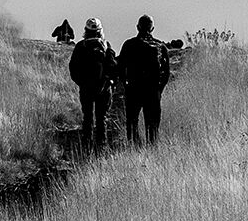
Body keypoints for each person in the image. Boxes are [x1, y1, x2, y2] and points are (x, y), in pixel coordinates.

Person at [114, 15, 172, 144]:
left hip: (134, 88)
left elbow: (120, 67)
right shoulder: (160, 46)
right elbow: (166, 73)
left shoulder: (129, 44)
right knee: (152, 124)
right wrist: (159, 90)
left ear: (137, 27)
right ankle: (152, 148)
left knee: (132, 121)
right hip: (153, 90)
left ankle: (134, 147)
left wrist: (126, 85)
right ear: (152, 29)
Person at [67, 19, 115, 148]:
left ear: (86, 31)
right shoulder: (105, 45)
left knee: (87, 118)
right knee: (102, 119)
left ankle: (86, 146)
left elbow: (73, 68)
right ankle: (101, 148)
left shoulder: (80, 46)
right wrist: (108, 83)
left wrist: (82, 83)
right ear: (100, 31)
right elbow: (112, 67)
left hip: (86, 89)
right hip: (104, 89)